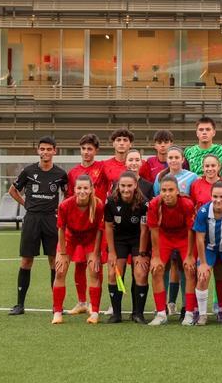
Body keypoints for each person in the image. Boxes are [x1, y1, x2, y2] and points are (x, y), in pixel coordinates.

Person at [7, 136, 68, 316]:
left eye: (49, 149)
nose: (45, 152)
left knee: (53, 261)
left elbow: (67, 193)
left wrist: (61, 209)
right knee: (26, 261)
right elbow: (12, 190)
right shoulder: (28, 171)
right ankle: (20, 304)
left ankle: (56, 305)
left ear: (55, 151)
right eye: (42, 149)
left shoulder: (60, 174)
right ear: (38, 150)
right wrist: (26, 204)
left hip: (51, 220)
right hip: (32, 219)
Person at [66, 133, 110, 314]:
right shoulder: (73, 173)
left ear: (96, 151)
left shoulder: (103, 168)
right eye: (83, 149)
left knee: (96, 263)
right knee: (79, 264)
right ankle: (81, 302)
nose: (86, 152)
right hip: (78, 226)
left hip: (97, 224)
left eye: (90, 149)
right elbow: (70, 198)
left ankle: (95, 304)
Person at [51, 175, 104, 324]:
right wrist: (61, 253)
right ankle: (57, 312)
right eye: (79, 188)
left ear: (91, 189)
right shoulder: (65, 205)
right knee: (60, 271)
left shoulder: (98, 205)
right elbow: (61, 229)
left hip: (90, 239)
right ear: (74, 189)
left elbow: (100, 230)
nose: (82, 191)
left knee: (94, 271)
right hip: (70, 238)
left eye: (85, 188)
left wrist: (95, 254)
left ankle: (94, 312)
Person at [190, 180, 222, 326]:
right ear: (211, 196)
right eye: (215, 196)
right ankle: (202, 315)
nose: (218, 200)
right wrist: (203, 263)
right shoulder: (203, 212)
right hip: (209, 248)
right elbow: (199, 239)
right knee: (202, 276)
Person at [147, 175, 196, 325]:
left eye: (170, 190)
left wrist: (189, 255)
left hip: (184, 238)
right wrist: (155, 256)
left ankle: (189, 313)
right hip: (165, 237)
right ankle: (161, 314)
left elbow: (191, 231)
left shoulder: (186, 204)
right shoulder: (154, 204)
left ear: (177, 191)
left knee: (189, 269)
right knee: (156, 269)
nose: (167, 194)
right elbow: (154, 231)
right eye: (163, 190)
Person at [104, 171, 150, 323]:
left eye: (129, 186)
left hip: (138, 240)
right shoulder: (111, 202)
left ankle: (138, 313)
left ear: (135, 185)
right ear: (118, 186)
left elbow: (144, 230)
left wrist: (143, 253)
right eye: (122, 186)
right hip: (118, 240)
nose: (126, 189)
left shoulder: (144, 203)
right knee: (113, 274)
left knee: (141, 273)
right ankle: (116, 314)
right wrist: (111, 252)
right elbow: (109, 227)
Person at [101, 129, 134, 197]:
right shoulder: (104, 165)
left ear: (130, 144)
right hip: (112, 204)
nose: (121, 143)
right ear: (113, 144)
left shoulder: (139, 164)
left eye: (125, 140)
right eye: (118, 140)